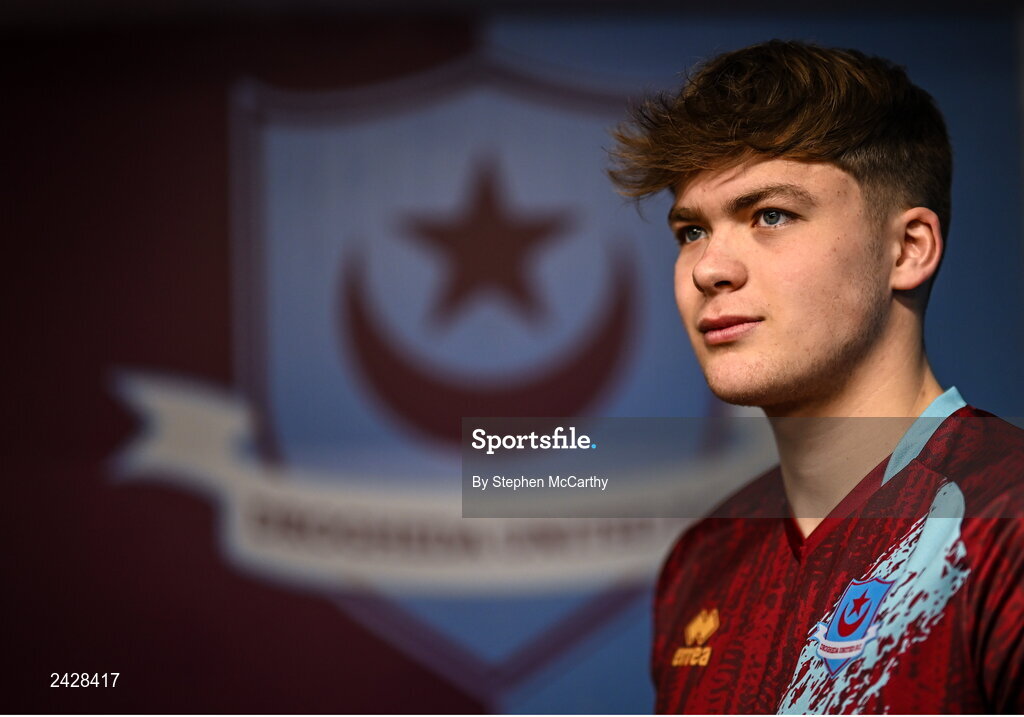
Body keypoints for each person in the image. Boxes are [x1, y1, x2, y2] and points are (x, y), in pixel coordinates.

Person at [609, 40, 1023, 713]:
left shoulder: (1006, 522)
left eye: (770, 215)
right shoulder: (700, 559)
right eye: (690, 230)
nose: (710, 267)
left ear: (908, 249)